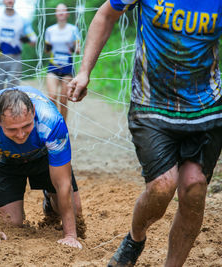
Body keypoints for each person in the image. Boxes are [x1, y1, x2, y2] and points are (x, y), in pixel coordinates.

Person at [68, 0, 222, 266]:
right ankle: (135, 238)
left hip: (206, 108)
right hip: (152, 105)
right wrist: (84, 72)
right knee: (162, 186)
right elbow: (106, 15)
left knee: (194, 189)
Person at [0, 86, 84, 249]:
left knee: (75, 214)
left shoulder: (52, 121)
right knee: (9, 223)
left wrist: (70, 235)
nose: (20, 135)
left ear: (33, 112)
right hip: (4, 161)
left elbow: (63, 183)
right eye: (12, 129)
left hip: (43, 157)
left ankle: (50, 199)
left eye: (26, 126)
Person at [0, 0, 37, 94]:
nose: (10, 0)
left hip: (15, 59)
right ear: (3, 1)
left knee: (13, 91)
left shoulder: (23, 20)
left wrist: (25, 39)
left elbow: (34, 39)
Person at [45, 3, 80, 120]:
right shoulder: (49, 30)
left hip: (67, 68)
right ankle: (55, 123)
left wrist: (74, 48)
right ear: (55, 14)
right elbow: (46, 50)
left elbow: (78, 50)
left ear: (67, 14)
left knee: (63, 100)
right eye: (58, 11)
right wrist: (47, 48)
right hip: (53, 66)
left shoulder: (73, 29)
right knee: (52, 97)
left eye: (63, 11)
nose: (61, 13)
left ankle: (63, 127)